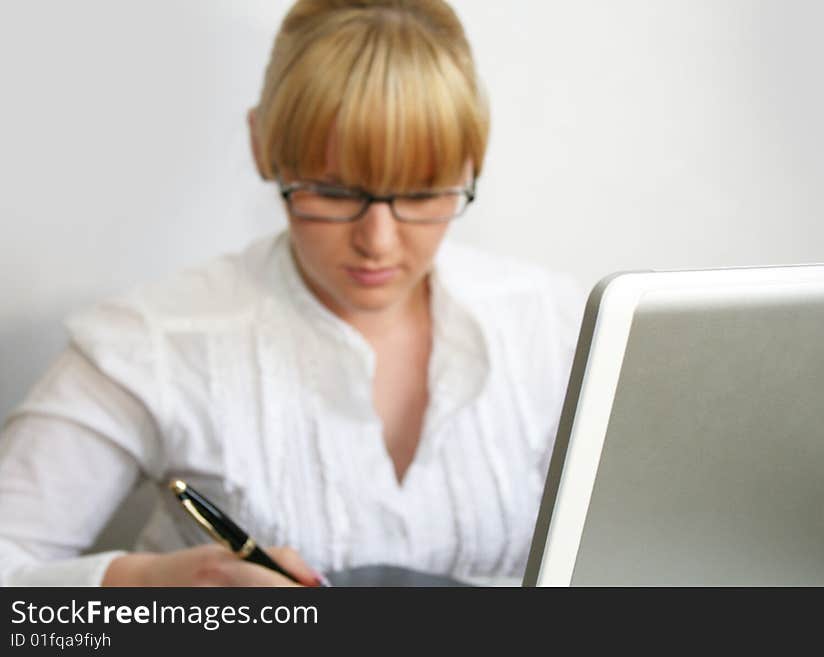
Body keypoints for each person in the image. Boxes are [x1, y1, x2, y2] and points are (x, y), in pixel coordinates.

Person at [0, 0, 582, 586]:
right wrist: (150, 586)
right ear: (263, 147)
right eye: (330, 191)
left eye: (422, 194)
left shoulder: (554, 329)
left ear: (472, 163)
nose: (377, 242)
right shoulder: (148, 343)